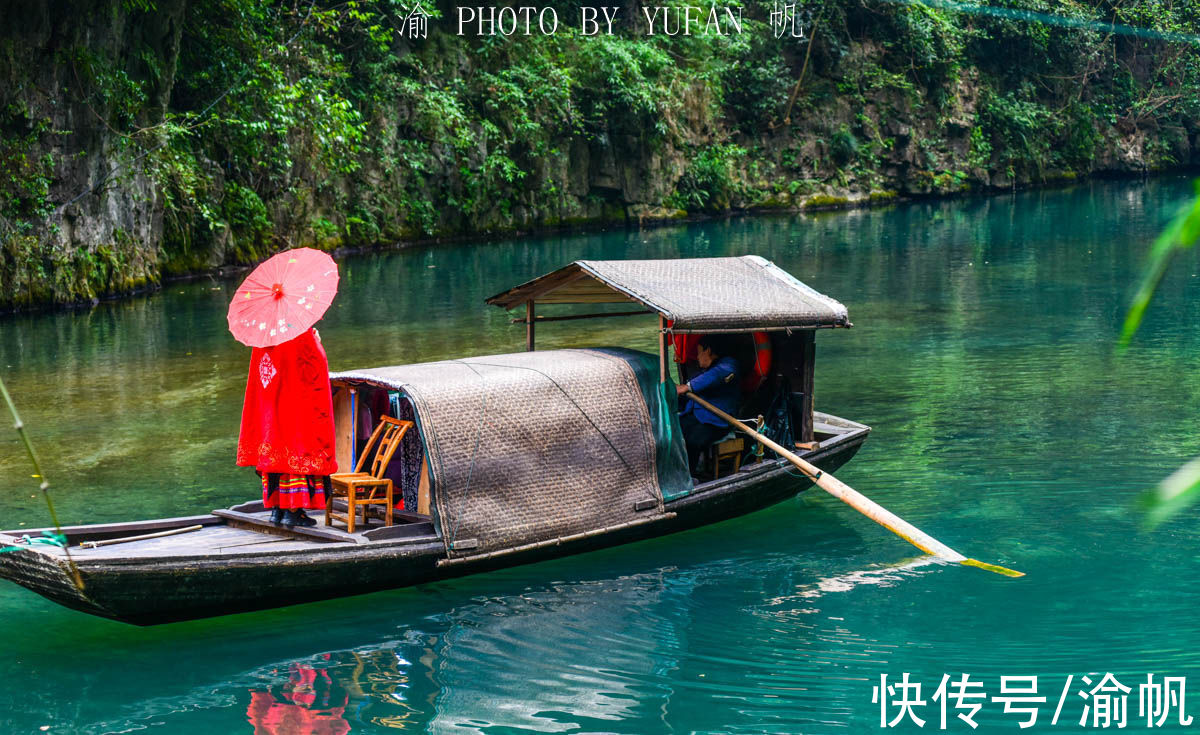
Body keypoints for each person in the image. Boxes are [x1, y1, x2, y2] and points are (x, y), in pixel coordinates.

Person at [236, 328, 337, 527]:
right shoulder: (299, 332)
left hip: (271, 408)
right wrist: (316, 341)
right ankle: (293, 510)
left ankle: (277, 509)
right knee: (297, 450)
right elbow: (315, 367)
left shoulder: (262, 333)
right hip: (294, 407)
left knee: (274, 453)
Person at [676, 335, 741, 475]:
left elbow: (716, 375)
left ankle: (689, 476)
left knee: (693, 441)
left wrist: (687, 387)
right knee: (673, 431)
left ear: (708, 351)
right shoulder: (704, 370)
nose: (698, 356)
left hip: (717, 421)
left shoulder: (729, 365)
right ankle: (674, 473)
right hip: (695, 416)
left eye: (700, 352)